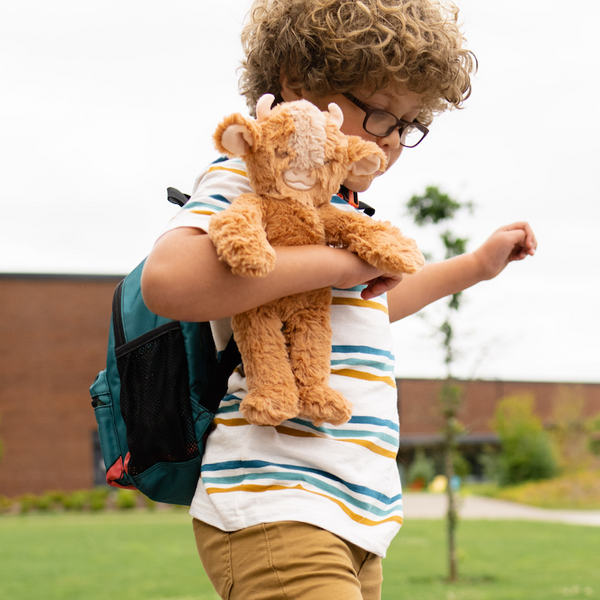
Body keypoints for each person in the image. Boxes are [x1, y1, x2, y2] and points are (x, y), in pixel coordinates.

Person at [141, 1, 537, 598]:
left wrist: (473, 268)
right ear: (299, 87)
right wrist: (349, 261)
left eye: (408, 125)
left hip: (354, 512)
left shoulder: (338, 211)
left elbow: (368, 310)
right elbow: (168, 279)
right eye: (379, 115)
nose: (393, 142)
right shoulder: (252, 175)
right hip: (276, 496)